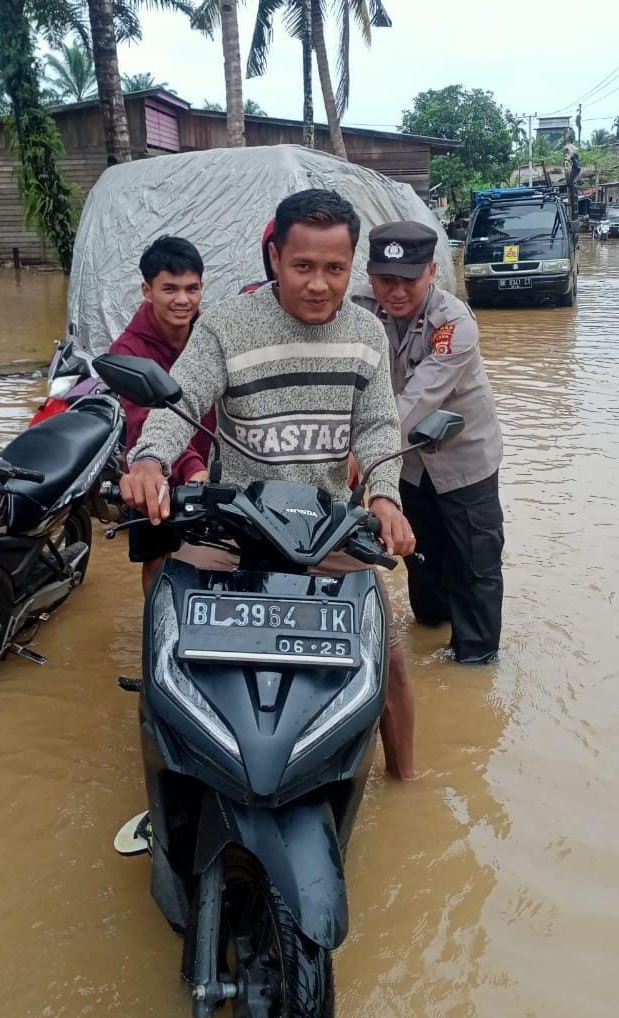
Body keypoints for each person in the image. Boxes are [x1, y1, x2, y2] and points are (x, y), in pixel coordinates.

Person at [120, 189, 419, 779]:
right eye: (303, 266)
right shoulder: (226, 325)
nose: (319, 284)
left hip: (325, 528)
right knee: (168, 646)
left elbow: (379, 427)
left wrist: (386, 498)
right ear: (276, 258)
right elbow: (180, 402)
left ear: (351, 266)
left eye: (335, 268)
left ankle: (408, 782)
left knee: (387, 664)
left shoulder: (366, 334)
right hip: (233, 527)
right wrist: (150, 460)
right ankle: (171, 780)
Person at [352, 221, 504, 665]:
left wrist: (358, 456)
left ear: (433, 272)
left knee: (475, 566)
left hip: (464, 460)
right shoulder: (357, 309)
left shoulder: (454, 323)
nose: (396, 292)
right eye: (385, 280)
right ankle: (430, 637)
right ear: (370, 275)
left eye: (409, 280)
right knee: (420, 557)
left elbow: (416, 402)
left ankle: (475, 665)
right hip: (408, 462)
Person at [109, 236, 218, 593]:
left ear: (202, 287)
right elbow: (146, 419)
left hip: (211, 468)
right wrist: (193, 469)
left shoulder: (214, 336)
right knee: (157, 559)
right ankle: (156, 624)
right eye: (170, 289)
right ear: (147, 290)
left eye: (191, 288)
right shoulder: (128, 351)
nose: (182, 300)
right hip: (152, 473)